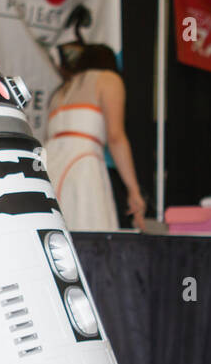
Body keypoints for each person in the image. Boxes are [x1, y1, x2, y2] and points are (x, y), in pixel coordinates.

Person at [44, 44, 146, 231]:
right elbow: (116, 138)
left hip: (47, 169)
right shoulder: (109, 80)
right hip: (83, 166)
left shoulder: (60, 92)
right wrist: (133, 190)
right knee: (91, 235)